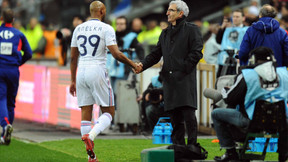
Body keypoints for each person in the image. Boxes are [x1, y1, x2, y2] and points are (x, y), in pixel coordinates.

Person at [69, 1, 140, 161]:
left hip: (81, 71)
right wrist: (133, 64)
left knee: (85, 113)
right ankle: (91, 136)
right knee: (109, 112)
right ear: (102, 11)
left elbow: (73, 57)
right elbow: (115, 54)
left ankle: (91, 157)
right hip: (97, 69)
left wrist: (72, 80)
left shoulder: (78, 28)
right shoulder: (106, 28)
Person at [136, 0, 203, 146]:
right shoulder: (165, 33)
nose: (167, 13)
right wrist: (142, 65)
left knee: (188, 114)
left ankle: (193, 147)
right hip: (170, 81)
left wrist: (183, 69)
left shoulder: (192, 30)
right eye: (168, 10)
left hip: (185, 79)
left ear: (180, 13)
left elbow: (197, 53)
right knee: (174, 116)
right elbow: (155, 54)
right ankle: (178, 147)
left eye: (171, 10)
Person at [212, 46, 288, 162]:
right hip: (281, 121)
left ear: (253, 59)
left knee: (216, 114)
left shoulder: (247, 75)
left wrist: (225, 90)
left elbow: (230, 99)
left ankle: (230, 151)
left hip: (253, 121)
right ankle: (284, 153)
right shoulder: (284, 73)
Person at [0, 8, 32, 145]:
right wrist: (19, 62)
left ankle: (5, 124)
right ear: (13, 20)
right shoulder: (19, 34)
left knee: (1, 98)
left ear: (2, 18)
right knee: (11, 103)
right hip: (13, 70)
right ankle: (6, 136)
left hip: (0, 69)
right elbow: (29, 53)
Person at [107, 16, 144, 91]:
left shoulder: (131, 37)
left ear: (126, 25)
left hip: (125, 70)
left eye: (121, 24)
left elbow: (140, 50)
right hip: (111, 70)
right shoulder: (112, 36)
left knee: (121, 92)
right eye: (117, 24)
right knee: (111, 93)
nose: (119, 26)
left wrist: (140, 63)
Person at [216, 9, 248, 77]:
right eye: (233, 17)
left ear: (243, 18)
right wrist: (222, 27)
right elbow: (218, 41)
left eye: (237, 17)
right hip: (224, 61)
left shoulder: (247, 30)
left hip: (238, 61)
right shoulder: (227, 29)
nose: (235, 19)